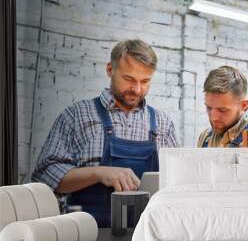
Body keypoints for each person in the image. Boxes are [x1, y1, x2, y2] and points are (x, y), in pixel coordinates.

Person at [32, 39, 179, 227]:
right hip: (86, 236)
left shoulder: (163, 124)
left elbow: (176, 186)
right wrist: (98, 173)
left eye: (145, 81)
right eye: (129, 79)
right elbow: (44, 177)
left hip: (147, 236)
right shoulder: (76, 116)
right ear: (110, 69)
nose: (137, 89)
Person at [197, 66, 248, 148]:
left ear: (244, 106)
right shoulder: (205, 138)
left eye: (222, 110)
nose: (214, 118)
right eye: (209, 108)